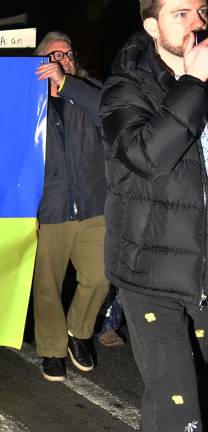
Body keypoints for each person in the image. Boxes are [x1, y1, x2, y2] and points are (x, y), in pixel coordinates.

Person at [99, 0, 208, 429]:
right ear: (152, 26)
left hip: (203, 261)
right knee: (177, 409)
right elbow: (147, 156)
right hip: (150, 271)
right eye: (181, 13)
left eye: (201, 11)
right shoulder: (123, 89)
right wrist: (193, 82)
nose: (196, 23)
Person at [32, 31, 108, 382]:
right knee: (46, 285)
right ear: (39, 63)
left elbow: (107, 117)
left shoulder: (92, 91)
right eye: (54, 55)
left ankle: (79, 331)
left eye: (68, 53)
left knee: (100, 276)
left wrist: (67, 86)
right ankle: (51, 351)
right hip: (50, 210)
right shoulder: (27, 104)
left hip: (94, 208)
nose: (63, 59)